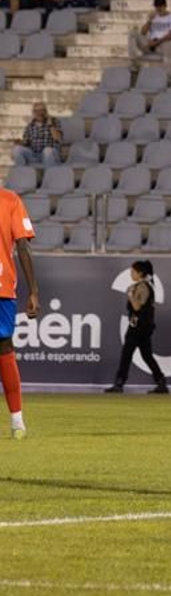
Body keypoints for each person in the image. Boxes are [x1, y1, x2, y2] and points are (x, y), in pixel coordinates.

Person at [0, 185, 39, 439]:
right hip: (2, 287)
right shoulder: (10, 199)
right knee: (4, 349)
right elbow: (23, 246)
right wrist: (33, 290)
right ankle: (17, 423)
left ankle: (18, 423)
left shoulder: (10, 199)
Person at [106, 259, 168, 394]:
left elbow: (137, 307)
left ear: (140, 273)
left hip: (138, 327)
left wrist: (130, 294)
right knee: (146, 356)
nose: (131, 273)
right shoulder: (145, 285)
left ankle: (119, 383)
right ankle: (161, 381)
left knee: (126, 354)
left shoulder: (142, 287)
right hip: (144, 326)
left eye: (133, 271)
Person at [129, 0, 171, 66]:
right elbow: (143, 32)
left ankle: (166, 73)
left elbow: (170, 36)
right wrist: (149, 20)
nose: (158, 9)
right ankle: (133, 61)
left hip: (164, 43)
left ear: (165, 6)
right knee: (133, 34)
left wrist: (155, 43)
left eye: (160, 6)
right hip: (151, 45)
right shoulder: (154, 17)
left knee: (167, 45)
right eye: (157, 7)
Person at [15, 102, 62, 167]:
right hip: (35, 155)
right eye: (36, 111)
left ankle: (49, 174)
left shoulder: (54, 121)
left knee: (47, 150)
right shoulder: (30, 125)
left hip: (50, 154)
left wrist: (50, 125)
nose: (39, 113)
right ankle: (21, 172)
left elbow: (57, 138)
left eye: (41, 110)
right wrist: (20, 142)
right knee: (17, 149)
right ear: (33, 112)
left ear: (46, 111)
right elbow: (26, 142)